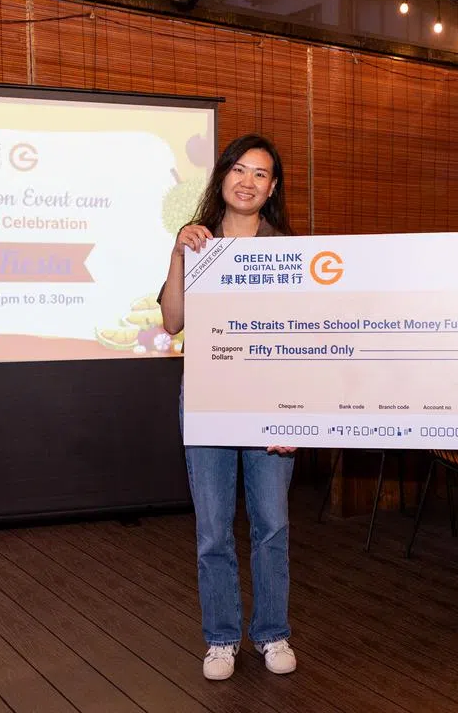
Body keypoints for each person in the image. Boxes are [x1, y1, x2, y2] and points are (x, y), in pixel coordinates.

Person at [161, 133, 298, 682]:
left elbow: (305, 337)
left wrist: (298, 413)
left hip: (272, 404)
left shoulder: (289, 251)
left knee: (273, 525)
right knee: (213, 529)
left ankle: (272, 632)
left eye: (260, 173)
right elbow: (173, 321)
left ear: (273, 188)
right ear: (222, 177)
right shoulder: (197, 242)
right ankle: (221, 638)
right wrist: (177, 253)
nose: (248, 181)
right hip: (209, 402)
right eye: (239, 169)